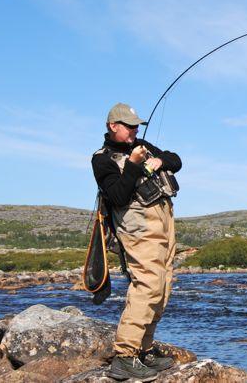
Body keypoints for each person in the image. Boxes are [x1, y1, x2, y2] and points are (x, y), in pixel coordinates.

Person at [91, 103, 182, 381]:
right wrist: (132, 165)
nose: (134, 131)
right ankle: (125, 355)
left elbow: (176, 159)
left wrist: (159, 161)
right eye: (129, 126)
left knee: (163, 286)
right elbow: (117, 196)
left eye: (136, 126)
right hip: (138, 230)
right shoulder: (101, 159)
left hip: (164, 223)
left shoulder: (142, 145)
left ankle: (144, 349)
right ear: (112, 126)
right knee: (148, 285)